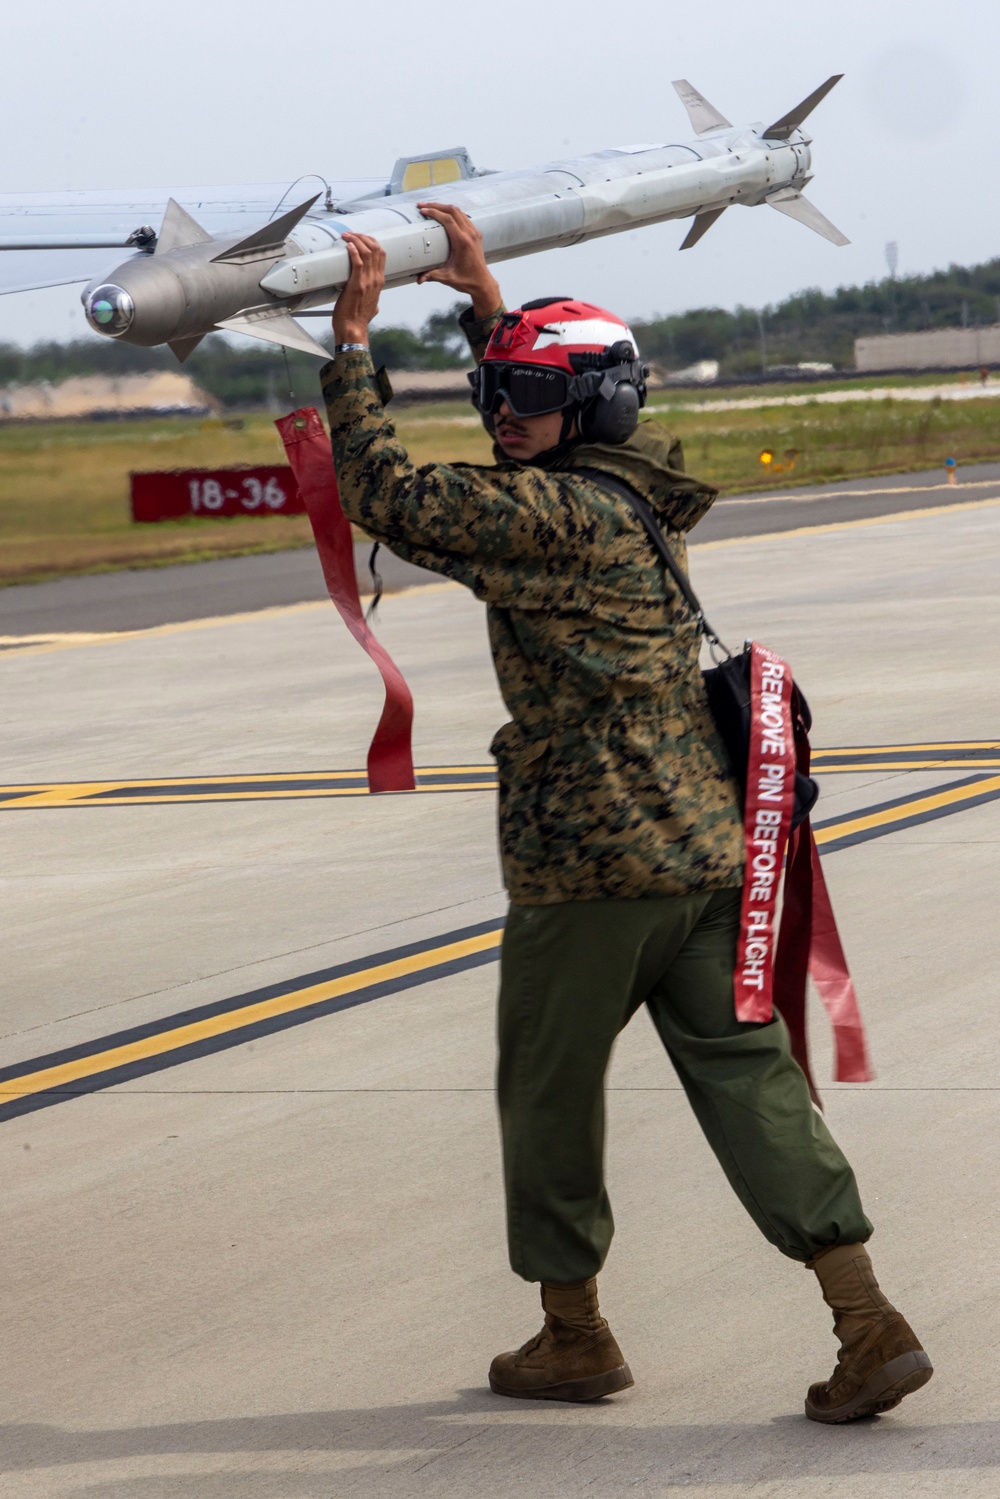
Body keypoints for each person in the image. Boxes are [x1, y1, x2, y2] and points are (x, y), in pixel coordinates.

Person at [320, 203, 932, 1422]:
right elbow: (551, 401)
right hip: (702, 853)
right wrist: (488, 302)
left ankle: (573, 1335)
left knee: (546, 1094)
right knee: (751, 1085)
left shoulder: (547, 515)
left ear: (584, 407)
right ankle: (867, 1319)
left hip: (588, 872)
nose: (502, 419)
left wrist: (349, 345)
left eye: (523, 401)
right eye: (496, 396)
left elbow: (383, 492)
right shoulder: (636, 494)